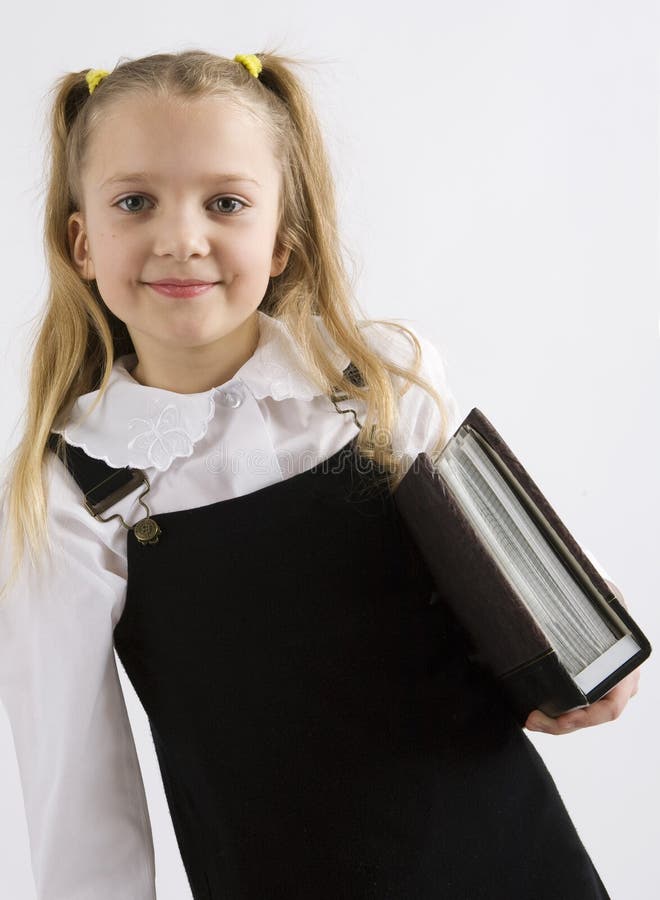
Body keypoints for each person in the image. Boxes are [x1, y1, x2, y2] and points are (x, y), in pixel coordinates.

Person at [0, 48, 640, 900]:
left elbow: (501, 600)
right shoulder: (75, 494)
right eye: (134, 201)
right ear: (81, 241)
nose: (181, 238)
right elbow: (78, 799)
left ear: (280, 244)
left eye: (226, 203)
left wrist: (571, 675)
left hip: (515, 862)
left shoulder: (381, 382)